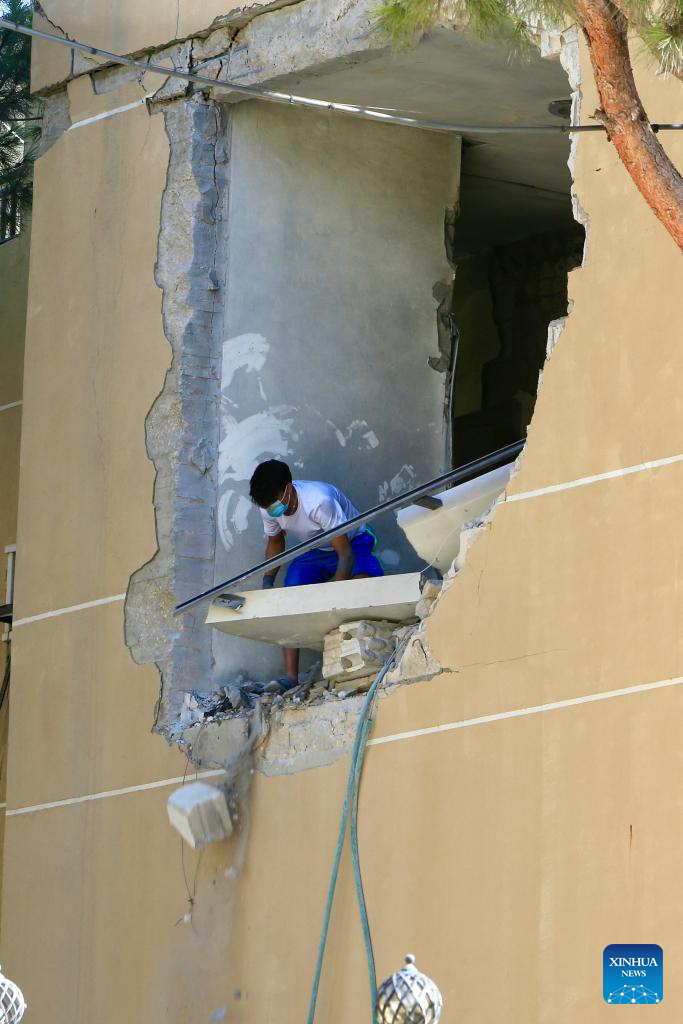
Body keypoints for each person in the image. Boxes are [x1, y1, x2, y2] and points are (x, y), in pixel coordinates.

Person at [249, 459, 383, 688]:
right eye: (267, 505)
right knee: (292, 592)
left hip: (353, 541)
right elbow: (275, 541)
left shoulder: (319, 501)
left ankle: (361, 660)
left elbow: (345, 554)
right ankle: (291, 678)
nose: (272, 508)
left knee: (361, 586)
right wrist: (267, 580)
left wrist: (334, 596)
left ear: (288, 488)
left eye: (274, 501)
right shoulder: (268, 506)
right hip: (318, 549)